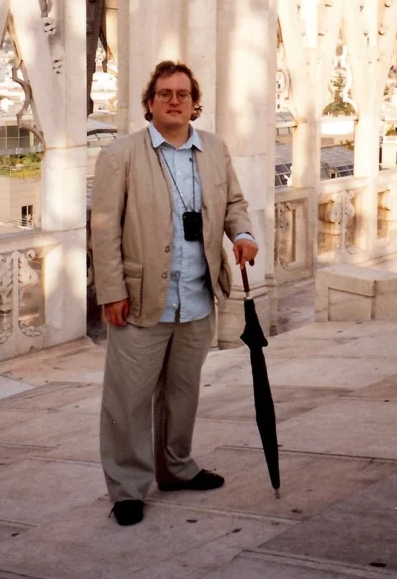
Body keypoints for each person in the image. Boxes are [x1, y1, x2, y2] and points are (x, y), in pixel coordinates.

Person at [91, 60, 258, 526]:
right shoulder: (121, 155)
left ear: (194, 103)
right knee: (127, 399)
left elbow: (235, 205)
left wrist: (242, 235)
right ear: (149, 103)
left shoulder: (214, 150)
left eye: (183, 94)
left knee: (182, 393)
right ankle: (127, 487)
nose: (174, 101)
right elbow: (104, 231)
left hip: (198, 295)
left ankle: (177, 468)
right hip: (142, 298)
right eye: (164, 93)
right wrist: (111, 291)